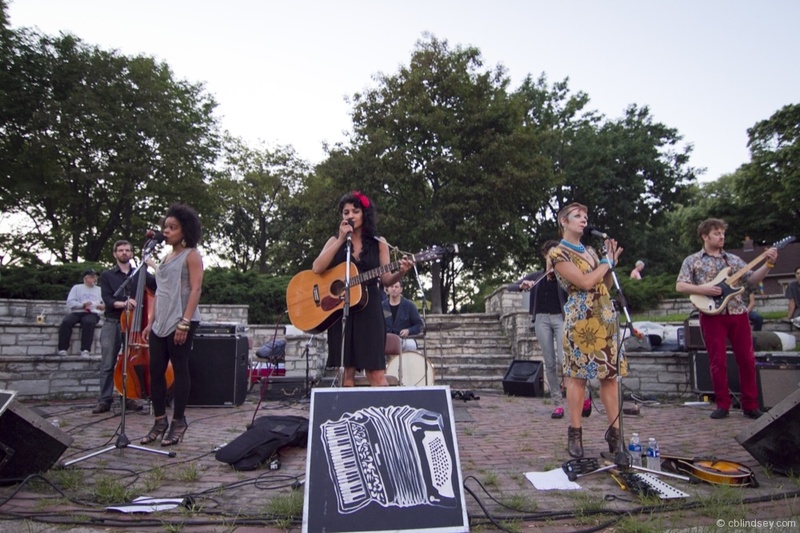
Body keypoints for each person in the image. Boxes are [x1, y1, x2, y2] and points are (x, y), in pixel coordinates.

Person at [676, 218, 777, 420]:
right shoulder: (692, 260)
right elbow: (681, 286)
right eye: (716, 233)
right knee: (717, 361)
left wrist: (769, 263)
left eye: (723, 233)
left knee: (747, 360)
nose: (721, 236)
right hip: (712, 314)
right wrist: (703, 289)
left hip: (737, 313)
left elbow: (753, 280)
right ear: (705, 236)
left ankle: (750, 404)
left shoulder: (732, 260)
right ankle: (723, 404)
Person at [312, 191, 414, 387]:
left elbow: (385, 279)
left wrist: (400, 272)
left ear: (364, 214)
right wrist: (341, 239)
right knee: (346, 377)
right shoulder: (334, 241)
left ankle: (384, 415)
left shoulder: (379, 243)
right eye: (345, 212)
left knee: (376, 374)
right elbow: (317, 267)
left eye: (355, 211)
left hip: (369, 308)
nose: (350, 215)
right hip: (340, 309)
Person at [549, 203, 624, 458]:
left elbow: (603, 284)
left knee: (609, 376)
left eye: (585, 217)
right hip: (580, 319)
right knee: (578, 377)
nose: (583, 220)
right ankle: (575, 432)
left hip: (603, 314)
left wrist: (610, 265)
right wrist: (607, 262)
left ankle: (615, 435)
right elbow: (583, 282)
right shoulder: (558, 254)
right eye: (577, 216)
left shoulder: (591, 251)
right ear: (564, 222)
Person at [141, 203, 204, 447]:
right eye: (165, 227)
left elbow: (196, 288)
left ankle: (179, 421)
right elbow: (160, 291)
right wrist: (150, 322)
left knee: (179, 369)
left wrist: (185, 322)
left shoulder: (192, 255)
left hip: (182, 319)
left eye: (172, 227)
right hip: (161, 321)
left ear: (184, 230)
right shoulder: (166, 257)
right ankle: (159, 421)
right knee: (155, 371)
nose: (166, 231)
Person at [508, 240, 569, 419]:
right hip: (541, 319)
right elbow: (511, 286)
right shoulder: (536, 276)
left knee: (563, 359)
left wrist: (559, 276)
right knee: (549, 363)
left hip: (560, 318)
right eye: (551, 255)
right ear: (545, 255)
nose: (554, 258)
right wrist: (522, 285)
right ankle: (558, 403)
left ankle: (581, 395)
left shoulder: (563, 277)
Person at [95, 241, 156, 414]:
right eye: (120, 250)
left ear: (131, 254)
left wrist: (154, 267)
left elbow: (159, 286)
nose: (124, 253)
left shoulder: (140, 272)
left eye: (127, 250)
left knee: (129, 362)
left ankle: (128, 397)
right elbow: (107, 299)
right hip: (113, 322)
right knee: (108, 362)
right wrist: (124, 303)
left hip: (135, 325)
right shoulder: (107, 275)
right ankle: (104, 400)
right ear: (115, 254)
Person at [57, 269, 105, 356]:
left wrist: (101, 307)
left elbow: (104, 303)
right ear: (85, 278)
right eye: (92, 277)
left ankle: (85, 349)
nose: (95, 279)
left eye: (95, 277)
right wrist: (82, 305)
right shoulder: (77, 288)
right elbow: (70, 302)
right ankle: (62, 349)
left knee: (89, 322)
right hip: (77, 311)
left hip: (92, 312)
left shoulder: (99, 290)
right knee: (66, 322)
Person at [382, 280, 424, 351]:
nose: (394, 289)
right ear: (387, 289)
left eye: (396, 287)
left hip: (405, 340)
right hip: (386, 340)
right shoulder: (381, 306)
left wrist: (408, 331)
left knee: (411, 345)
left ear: (401, 289)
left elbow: (419, 325)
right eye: (391, 286)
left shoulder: (409, 306)